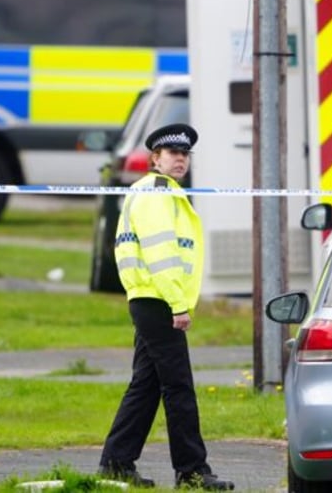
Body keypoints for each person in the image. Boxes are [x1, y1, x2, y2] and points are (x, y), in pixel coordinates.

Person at [99, 123, 235, 491]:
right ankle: (192, 473)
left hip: (150, 297)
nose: (180, 160)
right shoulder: (158, 194)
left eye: (185, 154)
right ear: (155, 159)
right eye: (173, 154)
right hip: (158, 299)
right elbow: (161, 254)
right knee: (179, 388)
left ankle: (116, 463)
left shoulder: (156, 191)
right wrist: (178, 305)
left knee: (146, 386)